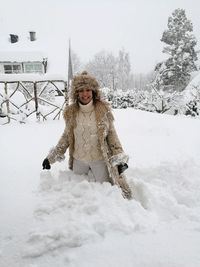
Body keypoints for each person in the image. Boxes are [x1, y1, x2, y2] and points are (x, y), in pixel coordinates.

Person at [42, 71, 132, 199]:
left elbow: (112, 136)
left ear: (93, 92)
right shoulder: (71, 112)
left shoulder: (103, 110)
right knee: (78, 195)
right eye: (81, 90)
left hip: (99, 160)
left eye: (88, 90)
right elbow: (67, 137)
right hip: (79, 161)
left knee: (106, 194)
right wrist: (51, 157)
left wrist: (119, 159)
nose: (85, 94)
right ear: (76, 93)